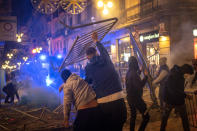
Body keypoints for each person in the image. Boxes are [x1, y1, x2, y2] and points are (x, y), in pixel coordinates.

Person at [85, 32, 127, 131]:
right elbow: (103, 51)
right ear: (96, 53)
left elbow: (87, 82)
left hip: (103, 103)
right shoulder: (106, 59)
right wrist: (96, 40)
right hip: (118, 99)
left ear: (87, 57)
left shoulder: (88, 67)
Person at [160, 64, 194, 131]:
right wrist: (185, 95)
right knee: (165, 118)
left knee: (184, 118)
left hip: (178, 99)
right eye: (188, 74)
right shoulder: (173, 75)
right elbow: (173, 90)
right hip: (169, 100)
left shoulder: (179, 74)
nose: (187, 76)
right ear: (184, 71)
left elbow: (179, 89)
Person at [126, 56, 150, 131]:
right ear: (135, 63)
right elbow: (139, 85)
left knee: (133, 116)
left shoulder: (129, 72)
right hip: (136, 99)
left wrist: (140, 71)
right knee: (146, 116)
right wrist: (146, 76)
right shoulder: (133, 73)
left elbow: (134, 79)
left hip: (130, 98)